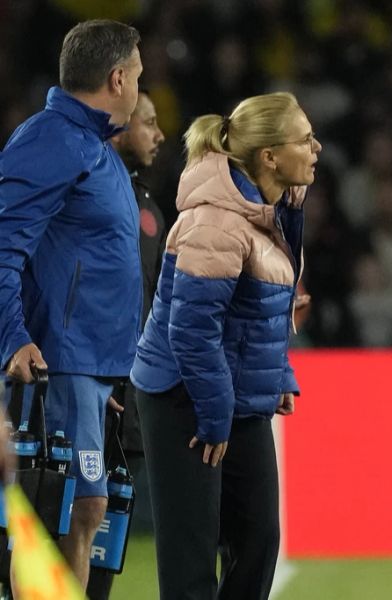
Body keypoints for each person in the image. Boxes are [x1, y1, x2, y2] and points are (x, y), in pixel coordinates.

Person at [129, 91, 318, 599]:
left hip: (230, 393)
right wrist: (213, 414)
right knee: (191, 556)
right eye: (305, 139)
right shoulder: (214, 222)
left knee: (259, 537)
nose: (317, 148)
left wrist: (275, 375)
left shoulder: (272, 210)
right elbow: (191, 332)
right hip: (184, 395)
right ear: (269, 157)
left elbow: (255, 312)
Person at [0, 19, 142, 589]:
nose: (138, 87)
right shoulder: (52, 140)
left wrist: (105, 373)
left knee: (82, 512)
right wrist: (13, 337)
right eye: (137, 76)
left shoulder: (90, 146)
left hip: (88, 365)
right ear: (116, 78)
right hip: (61, 359)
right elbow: (4, 245)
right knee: (65, 509)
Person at [86, 90, 166, 600]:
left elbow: (155, 296)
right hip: (85, 383)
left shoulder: (149, 208)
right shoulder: (86, 193)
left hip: (129, 392)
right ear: (119, 128)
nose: (159, 135)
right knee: (72, 514)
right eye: (149, 123)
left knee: (108, 523)